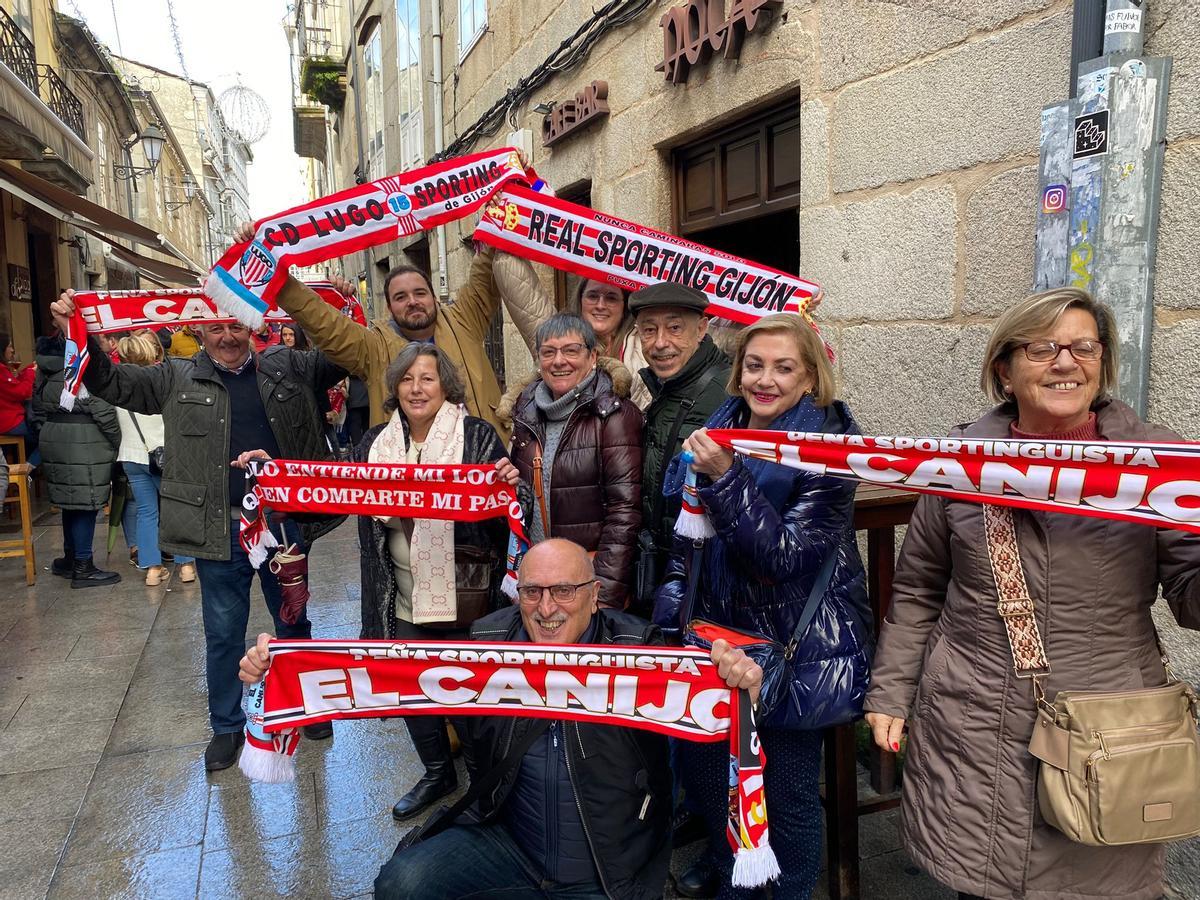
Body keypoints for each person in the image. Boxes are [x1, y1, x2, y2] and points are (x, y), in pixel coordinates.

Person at [863, 287, 1200, 900]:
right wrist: (890, 693)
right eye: (1043, 348)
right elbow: (917, 590)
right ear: (1005, 370)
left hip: (1105, 732)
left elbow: (1189, 595)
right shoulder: (960, 465)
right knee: (979, 883)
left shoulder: (1158, 463)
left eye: (1082, 347)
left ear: (1102, 365)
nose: (1065, 362)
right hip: (971, 724)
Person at [237, 538, 767, 900]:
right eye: (533, 591)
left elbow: (713, 724)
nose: (546, 607)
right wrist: (276, 672)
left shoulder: (644, 652)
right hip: (512, 844)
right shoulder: (487, 644)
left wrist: (739, 684)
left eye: (564, 591)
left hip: (607, 867)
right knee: (404, 881)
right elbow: (377, 672)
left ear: (594, 597)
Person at [50, 290, 347, 773]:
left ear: (251, 325)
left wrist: (333, 302)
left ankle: (305, 706)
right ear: (197, 330)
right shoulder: (174, 375)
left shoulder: (287, 366)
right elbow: (109, 382)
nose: (227, 336)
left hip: (283, 525)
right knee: (223, 633)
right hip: (218, 528)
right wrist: (74, 333)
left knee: (294, 621)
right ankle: (227, 727)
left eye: (235, 325)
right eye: (215, 327)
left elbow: (344, 352)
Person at [653, 313, 872, 898]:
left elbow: (782, 559)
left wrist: (725, 477)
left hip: (793, 656)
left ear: (810, 379)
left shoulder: (828, 451)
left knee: (786, 800)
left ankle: (789, 890)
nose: (765, 380)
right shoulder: (718, 430)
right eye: (754, 365)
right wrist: (671, 626)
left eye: (783, 368)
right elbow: (684, 549)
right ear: (737, 373)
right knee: (709, 785)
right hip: (712, 649)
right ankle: (736, 883)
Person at [354, 342, 523, 820]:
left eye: (427, 378)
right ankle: (436, 772)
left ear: (446, 384)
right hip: (398, 596)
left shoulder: (476, 436)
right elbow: (332, 493)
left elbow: (505, 518)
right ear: (394, 388)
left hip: (466, 596)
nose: (416, 388)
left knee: (469, 693)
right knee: (411, 690)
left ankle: (481, 777)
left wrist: (509, 485)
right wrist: (273, 481)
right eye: (406, 379)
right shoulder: (373, 444)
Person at [234, 225, 553, 441]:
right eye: (401, 297)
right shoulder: (372, 348)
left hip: (483, 474)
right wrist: (272, 269)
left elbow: (486, 266)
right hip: (411, 494)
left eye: (419, 293)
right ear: (389, 308)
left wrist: (505, 202)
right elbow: (322, 322)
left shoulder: (463, 319)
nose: (412, 301)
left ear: (433, 297)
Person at [498, 312, 643, 609]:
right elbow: (528, 500)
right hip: (539, 582)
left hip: (586, 583)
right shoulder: (526, 413)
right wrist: (510, 485)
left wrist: (602, 597)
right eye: (548, 352)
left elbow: (625, 511)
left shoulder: (613, 415)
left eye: (571, 350)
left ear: (592, 357)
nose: (559, 361)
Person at [630, 282, 731, 603]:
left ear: (702, 328)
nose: (660, 343)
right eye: (649, 330)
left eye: (674, 328)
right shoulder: (665, 387)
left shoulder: (727, 392)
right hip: (669, 569)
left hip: (708, 575)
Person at [31, 331, 122, 587]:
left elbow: (35, 408)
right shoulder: (78, 368)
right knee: (86, 502)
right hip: (84, 441)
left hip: (54, 437)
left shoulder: (43, 369)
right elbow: (103, 411)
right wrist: (119, 444)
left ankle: (70, 558)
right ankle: (83, 566)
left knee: (69, 501)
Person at [113, 333, 197, 586]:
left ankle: (152, 568)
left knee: (146, 512)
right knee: (176, 510)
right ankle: (186, 566)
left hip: (131, 455)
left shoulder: (118, 384)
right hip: (164, 455)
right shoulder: (161, 380)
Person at [0, 333, 38, 463]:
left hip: (7, 422)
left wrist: (29, 369)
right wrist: (31, 373)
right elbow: (22, 392)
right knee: (46, 439)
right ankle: (27, 471)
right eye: (9, 346)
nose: (12, 350)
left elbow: (13, 384)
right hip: (10, 423)